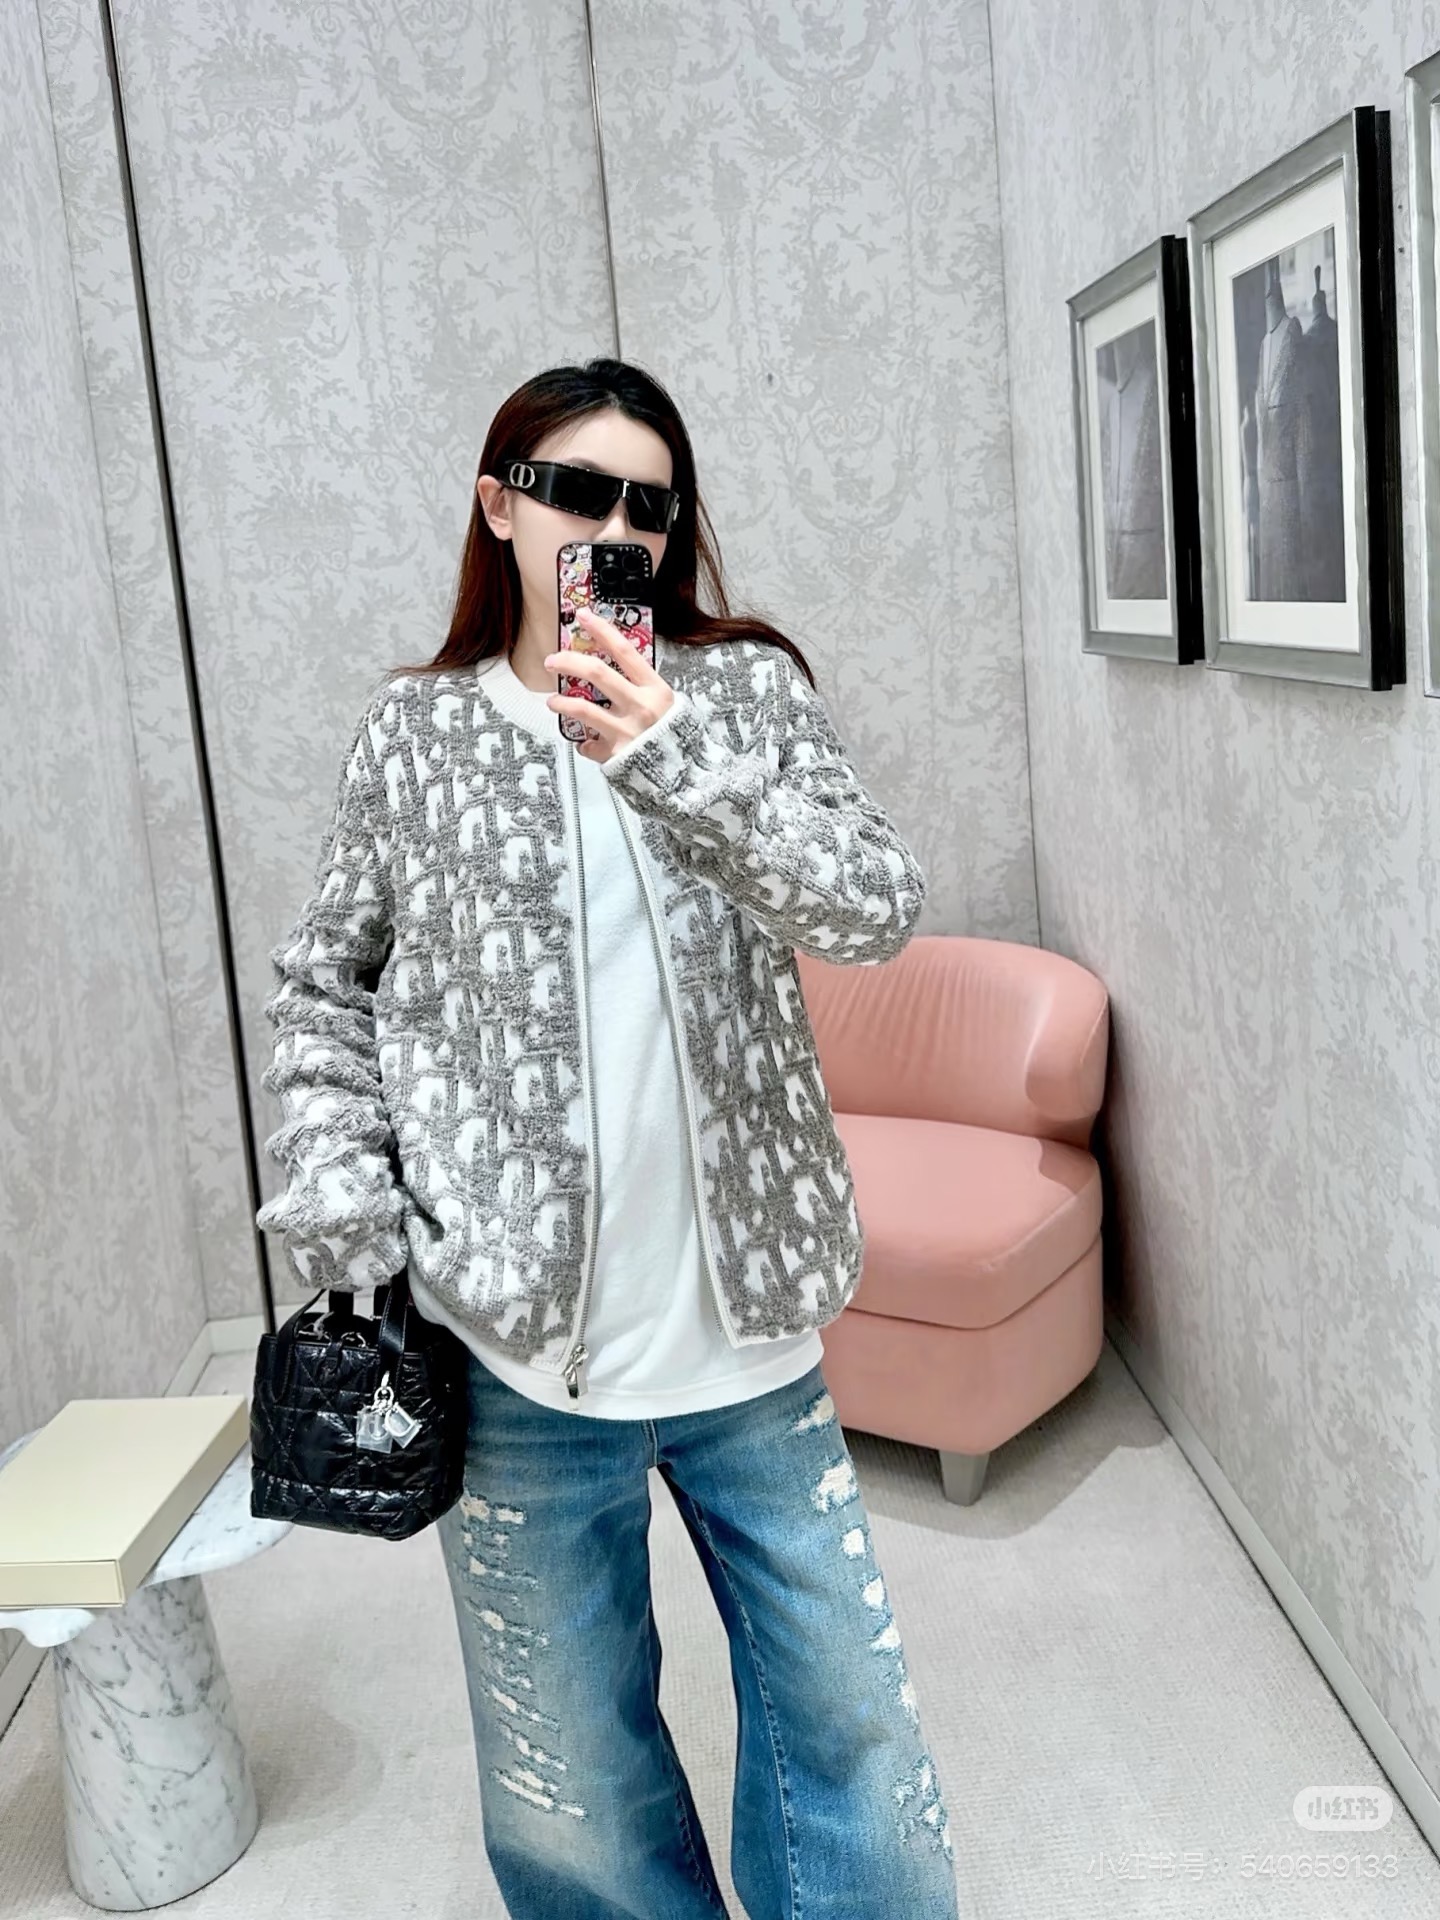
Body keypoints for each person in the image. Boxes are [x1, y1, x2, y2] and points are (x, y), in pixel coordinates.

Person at [255, 357, 959, 1919]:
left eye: (654, 504)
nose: (621, 528)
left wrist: (664, 752)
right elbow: (323, 985)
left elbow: (871, 909)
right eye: (581, 492)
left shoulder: (746, 696)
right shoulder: (416, 736)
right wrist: (351, 1210)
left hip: (751, 1347)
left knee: (854, 1740)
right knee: (573, 1787)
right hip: (517, 1360)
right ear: (500, 507)